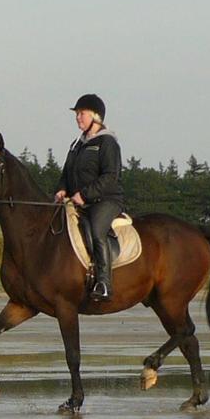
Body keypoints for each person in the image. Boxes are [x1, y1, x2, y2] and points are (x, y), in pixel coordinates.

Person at [54, 94, 124, 301]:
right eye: (76, 114)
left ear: (96, 116)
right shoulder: (77, 144)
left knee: (96, 230)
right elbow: (66, 174)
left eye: (81, 113)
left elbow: (110, 177)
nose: (78, 118)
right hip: (78, 201)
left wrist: (84, 195)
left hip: (106, 200)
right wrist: (61, 189)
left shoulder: (107, 142)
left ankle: (103, 283)